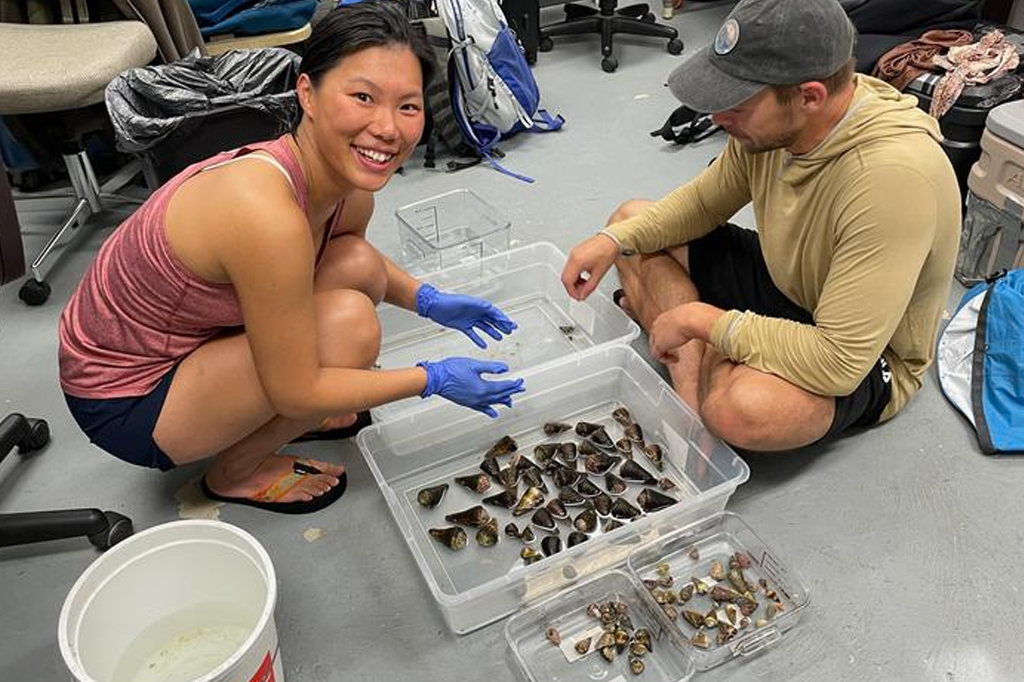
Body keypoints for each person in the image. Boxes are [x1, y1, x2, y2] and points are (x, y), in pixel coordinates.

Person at [58, 1, 525, 514]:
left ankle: (314, 412)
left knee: (354, 262)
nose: (388, 128)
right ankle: (234, 471)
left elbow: (354, 259)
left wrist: (429, 301)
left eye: (407, 106)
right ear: (308, 93)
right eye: (362, 97)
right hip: (128, 397)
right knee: (351, 329)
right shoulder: (264, 213)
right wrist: (431, 378)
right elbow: (295, 390)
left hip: (195, 338)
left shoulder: (344, 181)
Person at [562, 0, 961, 452]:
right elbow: (702, 204)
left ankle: (701, 365)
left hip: (860, 350)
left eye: (737, 102)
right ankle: (694, 402)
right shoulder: (777, 126)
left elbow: (839, 361)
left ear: (810, 96)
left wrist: (700, 318)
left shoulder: (894, 179)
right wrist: (610, 240)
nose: (716, 117)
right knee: (631, 224)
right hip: (787, 284)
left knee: (744, 409)